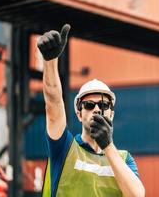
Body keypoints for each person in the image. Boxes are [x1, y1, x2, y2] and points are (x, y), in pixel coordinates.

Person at [37, 24, 145, 197]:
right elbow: (53, 103)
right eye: (89, 105)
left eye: (103, 106)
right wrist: (50, 61)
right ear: (79, 113)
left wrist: (107, 146)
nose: (96, 109)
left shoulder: (124, 159)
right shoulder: (64, 148)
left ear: (111, 114)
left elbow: (137, 195)